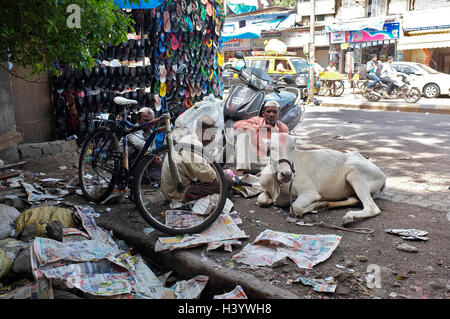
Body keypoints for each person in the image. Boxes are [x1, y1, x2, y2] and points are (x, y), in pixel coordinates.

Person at [161, 115, 233, 202]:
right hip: (177, 194)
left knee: (224, 180)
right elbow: (207, 175)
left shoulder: (189, 139)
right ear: (203, 131)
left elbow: (201, 166)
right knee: (227, 180)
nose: (213, 138)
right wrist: (220, 176)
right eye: (211, 134)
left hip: (173, 189)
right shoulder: (194, 144)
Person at [233, 100, 289, 176]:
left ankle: (263, 173)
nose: (271, 114)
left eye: (274, 112)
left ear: (279, 115)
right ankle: (240, 173)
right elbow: (237, 125)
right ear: (263, 114)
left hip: (267, 162)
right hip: (249, 161)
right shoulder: (256, 120)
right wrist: (260, 127)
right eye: (268, 111)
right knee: (243, 135)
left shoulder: (283, 129)